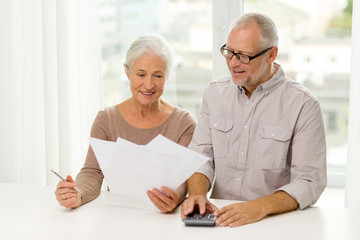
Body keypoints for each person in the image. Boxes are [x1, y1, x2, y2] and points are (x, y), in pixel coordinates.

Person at [181, 12, 327, 227]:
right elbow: (201, 155)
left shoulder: (303, 105)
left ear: (271, 54)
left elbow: (310, 181)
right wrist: (197, 193)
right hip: (221, 221)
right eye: (229, 53)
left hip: (275, 223)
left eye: (244, 56)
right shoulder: (214, 94)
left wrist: (259, 207)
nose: (233, 63)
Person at [54, 34, 196, 212]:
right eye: (141, 74)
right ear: (127, 72)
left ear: (167, 76)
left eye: (158, 76)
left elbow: (185, 179)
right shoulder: (106, 119)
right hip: (118, 214)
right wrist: (78, 193)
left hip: (165, 220)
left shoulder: (184, 124)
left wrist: (175, 196)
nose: (149, 84)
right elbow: (92, 172)